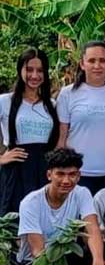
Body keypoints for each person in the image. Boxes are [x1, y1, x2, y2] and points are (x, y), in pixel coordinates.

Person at [16, 148, 105, 265]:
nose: (66, 180)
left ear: (79, 176)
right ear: (49, 175)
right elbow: (38, 252)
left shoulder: (82, 193)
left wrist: (97, 263)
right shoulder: (30, 203)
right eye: (60, 174)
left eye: (72, 174)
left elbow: (93, 229)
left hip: (63, 259)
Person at [57, 41, 105, 195]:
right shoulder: (68, 94)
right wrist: (62, 170)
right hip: (78, 174)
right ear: (82, 64)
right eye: (92, 61)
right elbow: (62, 136)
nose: (97, 65)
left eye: (102, 61)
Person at [0, 48, 59, 215]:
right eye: (29, 69)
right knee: (14, 221)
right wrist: (2, 158)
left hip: (44, 169)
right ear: (20, 70)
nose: (34, 75)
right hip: (16, 170)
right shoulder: (5, 101)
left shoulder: (51, 105)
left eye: (40, 70)